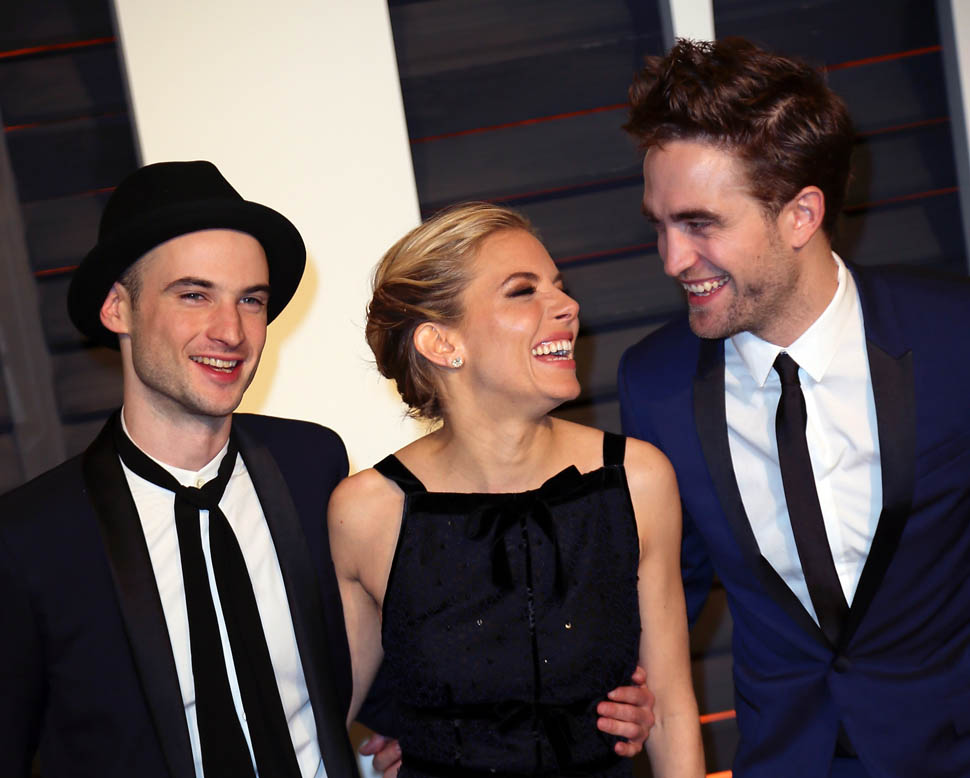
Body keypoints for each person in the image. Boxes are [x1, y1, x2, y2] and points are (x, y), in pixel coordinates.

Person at [618, 37, 970, 778]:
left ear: (801, 214)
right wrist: (467, 724)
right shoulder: (655, 383)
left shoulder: (954, 334)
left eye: (700, 224)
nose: (672, 260)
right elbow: (657, 596)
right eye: (658, 224)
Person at [0, 160, 369, 777]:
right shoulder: (29, 539)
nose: (231, 331)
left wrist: (401, 726)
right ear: (117, 309)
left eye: (250, 300)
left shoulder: (313, 466)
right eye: (194, 295)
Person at [329, 202, 704, 778]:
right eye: (523, 291)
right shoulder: (366, 512)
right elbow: (317, 723)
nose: (568, 306)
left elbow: (672, 713)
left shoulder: (638, 478)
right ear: (441, 343)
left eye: (558, 286)